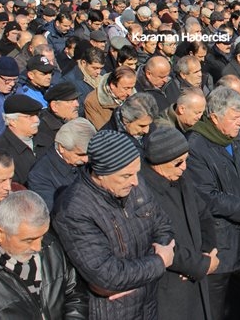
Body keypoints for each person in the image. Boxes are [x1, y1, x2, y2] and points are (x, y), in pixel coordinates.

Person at [52, 129, 175, 319]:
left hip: (147, 306)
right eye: (126, 176)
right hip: (112, 311)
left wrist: (134, 277)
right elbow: (107, 275)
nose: (135, 182)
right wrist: (159, 262)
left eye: (136, 172)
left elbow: (163, 225)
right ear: (100, 174)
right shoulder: (74, 210)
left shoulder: (135, 185)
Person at [186, 86, 240, 320]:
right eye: (234, 118)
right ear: (214, 117)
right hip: (219, 247)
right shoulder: (195, 146)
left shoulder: (238, 135)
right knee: (217, 311)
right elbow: (208, 197)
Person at [0, 190, 88, 318]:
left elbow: (75, 293)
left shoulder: (45, 239)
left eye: (42, 236)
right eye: (29, 240)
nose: (38, 247)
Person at [141, 126, 218, 320]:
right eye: (178, 163)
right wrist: (197, 265)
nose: (184, 167)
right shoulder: (143, 192)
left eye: (186, 160)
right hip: (169, 286)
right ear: (159, 162)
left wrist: (207, 252)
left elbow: (204, 214)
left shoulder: (182, 179)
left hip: (196, 276)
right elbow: (158, 241)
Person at [27, 118, 96, 210]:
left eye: (89, 154)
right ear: (62, 148)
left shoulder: (87, 162)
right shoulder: (39, 175)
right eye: (80, 154)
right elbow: (53, 212)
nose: (86, 159)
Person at [0, 95, 44, 184]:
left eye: (37, 114)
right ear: (12, 121)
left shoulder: (46, 140)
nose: (36, 120)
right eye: (29, 116)